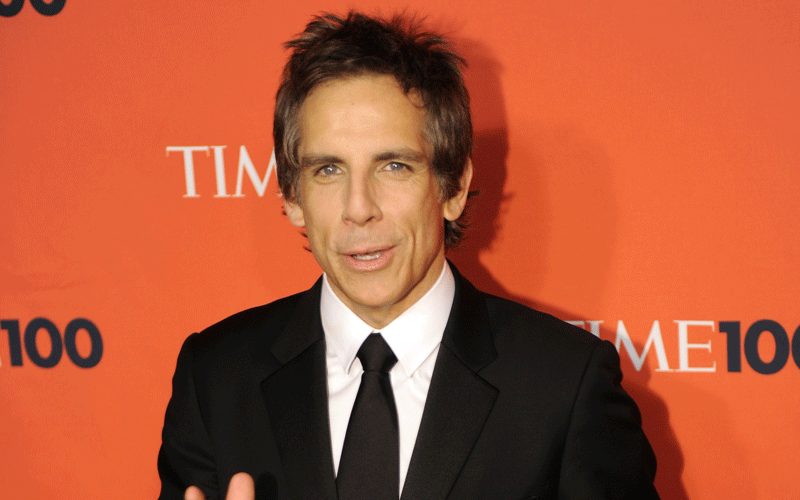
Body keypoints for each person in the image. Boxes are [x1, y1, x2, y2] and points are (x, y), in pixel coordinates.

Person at [158, 11, 659, 500]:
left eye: (394, 166)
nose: (359, 209)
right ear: (292, 197)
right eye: (328, 170)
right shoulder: (216, 378)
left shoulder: (563, 385)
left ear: (454, 187)